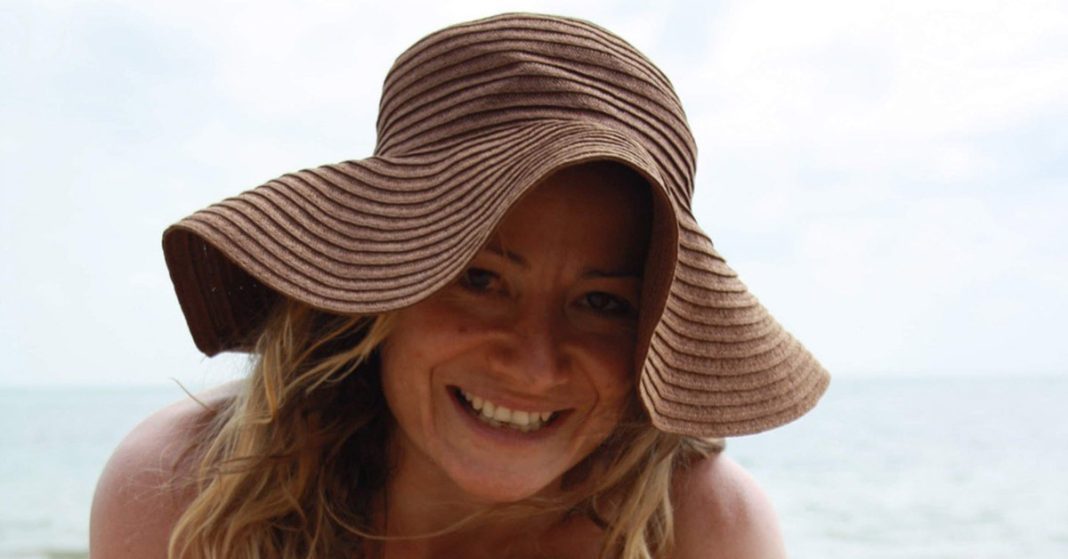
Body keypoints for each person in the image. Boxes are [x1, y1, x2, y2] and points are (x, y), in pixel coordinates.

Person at [90, 13, 829, 559]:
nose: (535, 361)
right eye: (480, 279)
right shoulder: (185, 495)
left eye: (602, 302)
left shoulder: (702, 531)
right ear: (379, 285)